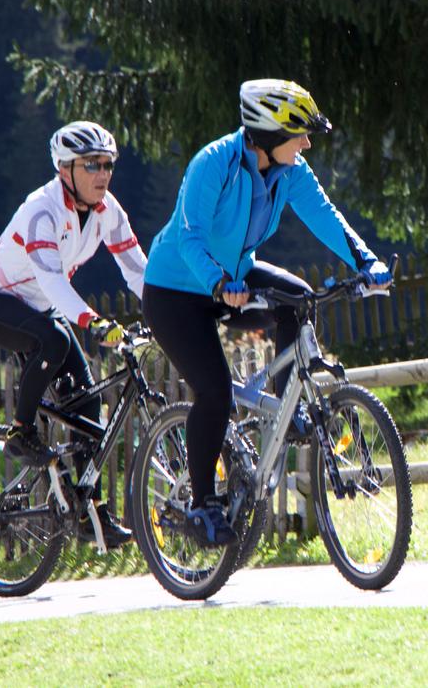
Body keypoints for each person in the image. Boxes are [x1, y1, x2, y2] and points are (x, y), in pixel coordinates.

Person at [143, 78, 392, 547]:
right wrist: (219, 283)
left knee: (297, 298)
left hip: (234, 279)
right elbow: (188, 236)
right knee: (214, 391)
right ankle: (202, 504)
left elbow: (325, 214)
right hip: (176, 291)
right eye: (299, 133)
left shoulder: (291, 170)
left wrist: (367, 262)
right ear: (270, 133)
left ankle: (284, 407)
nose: (306, 142)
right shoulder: (212, 164)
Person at [0, 120, 147, 548]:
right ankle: (21, 432)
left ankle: (88, 511)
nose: (103, 174)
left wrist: (167, 308)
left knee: (88, 402)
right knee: (54, 340)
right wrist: (94, 321)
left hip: (42, 308)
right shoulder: (41, 210)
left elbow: (138, 269)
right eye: (92, 165)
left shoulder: (107, 211)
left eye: (108, 165)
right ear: (66, 169)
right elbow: (53, 283)